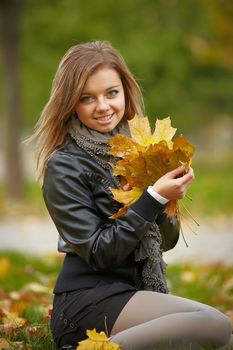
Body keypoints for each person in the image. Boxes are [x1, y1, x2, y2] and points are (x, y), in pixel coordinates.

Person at [31, 41, 232, 350]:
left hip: (132, 294)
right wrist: (150, 199)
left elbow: (165, 241)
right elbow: (99, 252)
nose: (103, 106)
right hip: (87, 302)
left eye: (111, 93)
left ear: (125, 92)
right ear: (71, 103)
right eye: (87, 98)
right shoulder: (64, 166)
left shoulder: (137, 153)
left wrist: (165, 200)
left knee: (221, 340)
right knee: (216, 324)